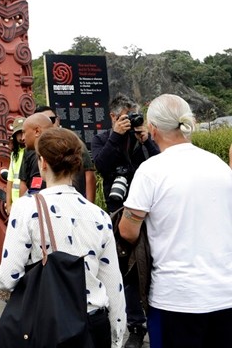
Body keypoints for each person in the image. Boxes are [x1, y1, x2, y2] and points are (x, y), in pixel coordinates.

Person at [119, 94, 232, 348]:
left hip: (177, 297)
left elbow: (127, 231)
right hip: (225, 294)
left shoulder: (151, 171)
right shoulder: (219, 165)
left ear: (153, 128)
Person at [0, 127, 126, 347]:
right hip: (93, 323)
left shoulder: (27, 208)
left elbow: (8, 278)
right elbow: (113, 283)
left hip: (48, 322)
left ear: (43, 163)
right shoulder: (99, 216)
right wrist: (116, 337)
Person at [91, 94, 160, 348]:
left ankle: (154, 320)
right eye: (125, 117)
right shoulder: (102, 139)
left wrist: (147, 141)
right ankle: (134, 326)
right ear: (113, 116)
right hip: (118, 211)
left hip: (148, 210)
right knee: (126, 272)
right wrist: (116, 136)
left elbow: (161, 165)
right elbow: (100, 165)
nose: (130, 122)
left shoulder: (141, 139)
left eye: (133, 117)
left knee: (152, 266)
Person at [35, 105, 97, 202]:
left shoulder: (73, 141)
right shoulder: (35, 146)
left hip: (75, 198)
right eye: (44, 120)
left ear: (58, 120)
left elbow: (89, 173)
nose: (49, 123)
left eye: (51, 119)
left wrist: (89, 204)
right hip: (46, 201)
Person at [18, 113, 54, 195]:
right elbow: (23, 183)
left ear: (37, 131)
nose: (22, 138)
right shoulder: (28, 152)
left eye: (24, 132)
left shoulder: (60, 150)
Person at [4, 117, 25, 213]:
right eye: (18, 133)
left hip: (27, 202)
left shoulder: (32, 153)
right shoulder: (14, 154)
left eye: (23, 132)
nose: (21, 137)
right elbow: (10, 181)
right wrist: (8, 205)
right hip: (15, 204)